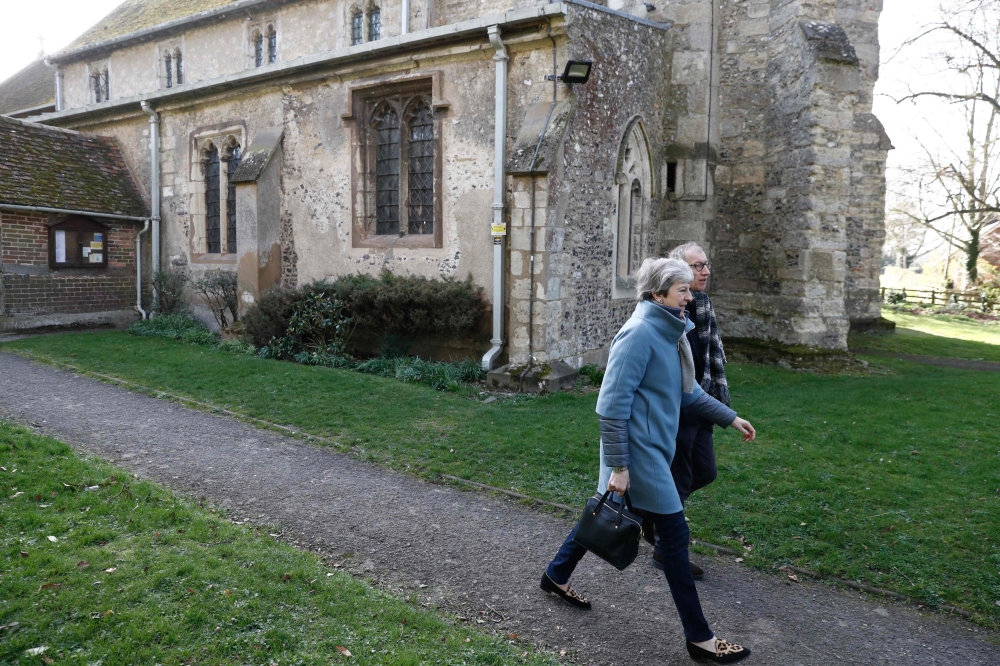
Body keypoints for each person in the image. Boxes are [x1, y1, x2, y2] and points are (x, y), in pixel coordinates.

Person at [539, 258, 755, 664]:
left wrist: (730, 417)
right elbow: (610, 407)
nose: (691, 297)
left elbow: (687, 392)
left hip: (653, 453)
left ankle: (556, 575)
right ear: (658, 294)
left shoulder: (671, 331)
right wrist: (620, 468)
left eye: (690, 290)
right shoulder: (639, 334)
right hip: (638, 460)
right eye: (683, 291)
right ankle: (701, 639)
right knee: (674, 540)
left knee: (605, 518)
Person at [648, 242, 728, 579]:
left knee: (705, 471)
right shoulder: (669, 314)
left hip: (702, 405)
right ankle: (667, 551)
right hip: (679, 412)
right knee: (678, 482)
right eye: (696, 267)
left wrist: (720, 406)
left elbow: (710, 359)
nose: (705, 271)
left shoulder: (704, 306)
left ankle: (651, 512)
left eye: (705, 265)